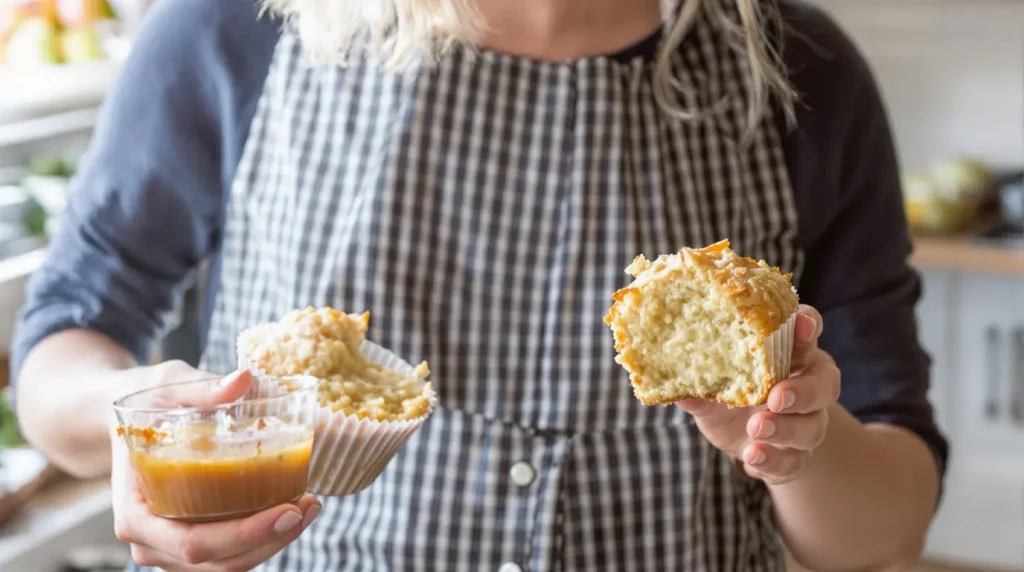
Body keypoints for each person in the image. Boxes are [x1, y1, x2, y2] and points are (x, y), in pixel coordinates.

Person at [10, 0, 947, 570]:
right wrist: (155, 419)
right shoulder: (234, 28)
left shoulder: (798, 72)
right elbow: (61, 353)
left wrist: (792, 442)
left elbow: (882, 532)